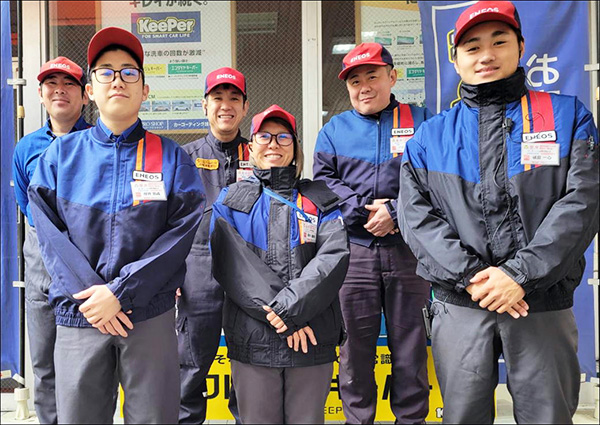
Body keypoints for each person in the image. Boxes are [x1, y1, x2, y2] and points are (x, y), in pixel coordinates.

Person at [398, 2, 599, 423]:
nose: (486, 55)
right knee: (462, 415)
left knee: (548, 416)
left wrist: (519, 275)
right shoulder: (429, 138)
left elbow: (582, 203)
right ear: (456, 59)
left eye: (499, 42)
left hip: (540, 301)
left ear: (521, 47)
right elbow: (416, 219)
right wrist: (475, 279)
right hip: (462, 302)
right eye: (472, 47)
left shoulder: (567, 117)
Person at [28, 27, 205, 424]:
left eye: (129, 72)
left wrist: (121, 292)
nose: (118, 80)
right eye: (106, 72)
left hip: (149, 314)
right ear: (90, 90)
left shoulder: (172, 158)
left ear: (145, 90)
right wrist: (96, 298)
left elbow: (179, 235)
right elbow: (49, 236)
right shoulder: (61, 156)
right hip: (81, 314)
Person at [313, 43, 432, 424]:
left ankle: (410, 419)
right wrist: (363, 212)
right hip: (354, 253)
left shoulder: (423, 122)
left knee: (411, 348)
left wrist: (395, 212)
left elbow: (435, 179)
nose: (363, 86)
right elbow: (323, 182)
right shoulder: (335, 130)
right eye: (354, 80)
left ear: (392, 77)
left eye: (372, 76)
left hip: (409, 252)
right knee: (354, 350)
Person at [210, 105, 350, 424]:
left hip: (312, 337)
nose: (273, 143)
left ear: (295, 147)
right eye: (264, 136)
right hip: (254, 340)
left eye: (283, 137)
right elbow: (233, 265)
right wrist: (287, 316)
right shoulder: (231, 200)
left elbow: (334, 256)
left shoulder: (320, 199)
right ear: (251, 147)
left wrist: (292, 310)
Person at [12, 56, 89, 424]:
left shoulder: (98, 142)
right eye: (51, 84)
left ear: (85, 95)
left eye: (69, 83)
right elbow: (26, 205)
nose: (60, 90)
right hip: (41, 267)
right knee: (44, 364)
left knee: (89, 363)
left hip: (88, 267)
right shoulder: (26, 148)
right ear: (41, 94)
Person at [178, 67, 250, 424]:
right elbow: (167, 222)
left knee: (249, 367)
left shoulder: (260, 153)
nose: (226, 105)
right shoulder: (184, 157)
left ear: (245, 107)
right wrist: (171, 275)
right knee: (190, 366)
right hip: (197, 272)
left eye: (234, 98)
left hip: (250, 275)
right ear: (205, 106)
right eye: (218, 98)